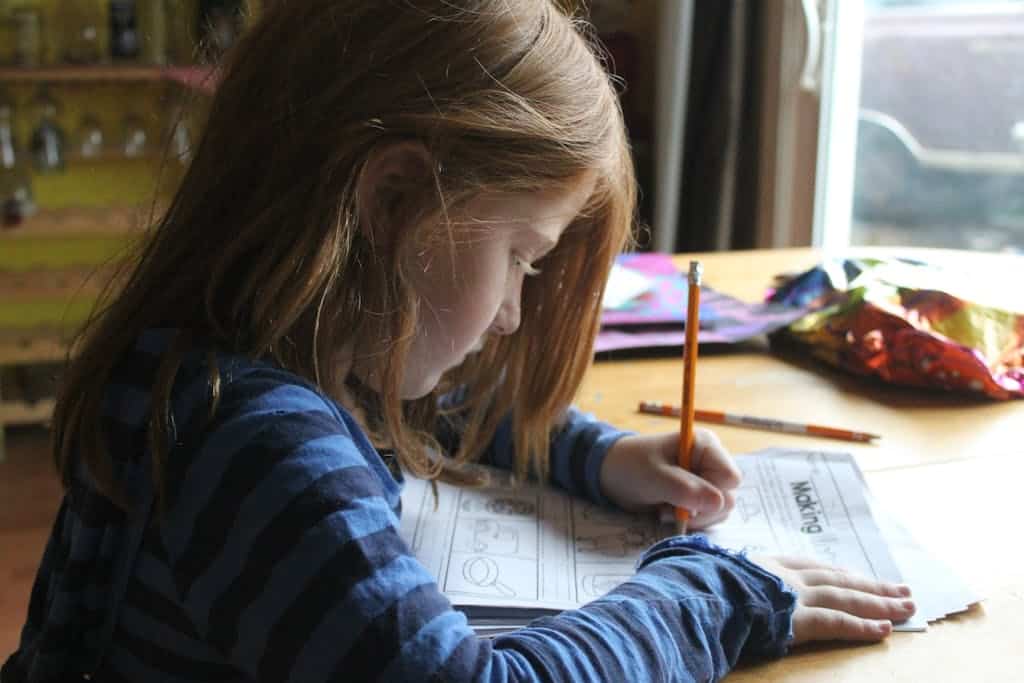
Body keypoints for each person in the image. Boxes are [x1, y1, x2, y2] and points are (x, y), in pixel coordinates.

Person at [2, 2, 915, 681]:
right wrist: (711, 593)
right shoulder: (257, 446)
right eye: (521, 257)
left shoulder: (243, 350)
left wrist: (601, 456)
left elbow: (431, 405)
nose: (516, 311)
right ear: (394, 201)